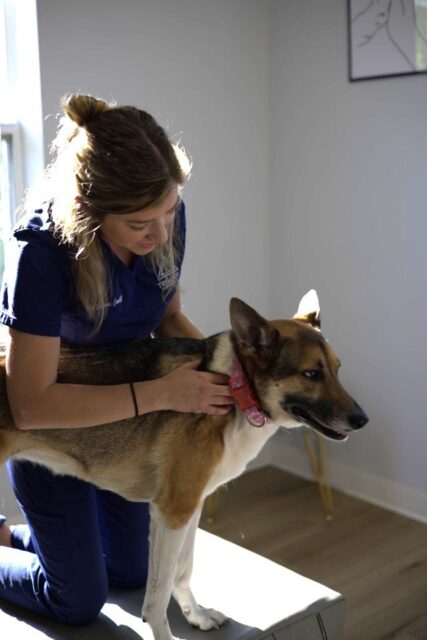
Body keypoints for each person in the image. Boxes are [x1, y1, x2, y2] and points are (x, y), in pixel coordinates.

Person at [0, 94, 233, 625]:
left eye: (169, 212)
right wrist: (160, 394)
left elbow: (168, 319)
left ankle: (29, 539)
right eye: (139, 225)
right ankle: (10, 543)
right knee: (78, 601)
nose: (159, 237)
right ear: (87, 210)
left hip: (125, 428)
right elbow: (31, 407)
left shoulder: (163, 220)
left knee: (130, 572)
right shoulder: (40, 253)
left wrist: (227, 375)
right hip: (54, 431)